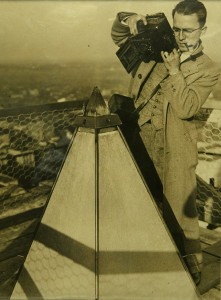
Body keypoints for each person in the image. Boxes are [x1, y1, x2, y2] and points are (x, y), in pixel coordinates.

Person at [111, 0, 220, 285]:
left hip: (174, 149)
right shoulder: (157, 47)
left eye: (189, 31)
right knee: (140, 203)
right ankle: (145, 265)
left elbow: (186, 108)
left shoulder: (209, 69)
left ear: (203, 30)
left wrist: (174, 71)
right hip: (140, 141)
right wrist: (129, 19)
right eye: (177, 29)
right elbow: (119, 36)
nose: (182, 37)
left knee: (181, 214)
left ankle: (191, 275)